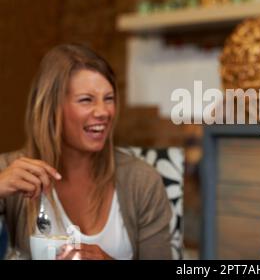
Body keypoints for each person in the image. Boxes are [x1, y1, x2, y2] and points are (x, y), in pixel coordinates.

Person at [0, 44, 172, 259]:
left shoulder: (142, 180)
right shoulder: (7, 174)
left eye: (108, 99)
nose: (103, 112)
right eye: (86, 100)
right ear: (52, 108)